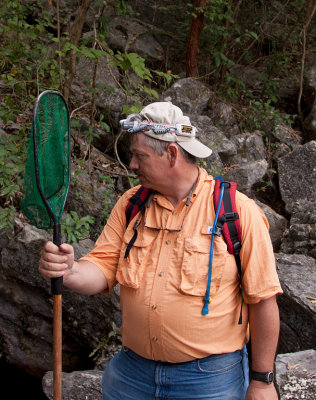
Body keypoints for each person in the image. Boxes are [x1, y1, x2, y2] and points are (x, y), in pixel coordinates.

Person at [39, 102, 283, 400]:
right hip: (132, 375)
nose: (132, 165)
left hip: (209, 382)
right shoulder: (131, 205)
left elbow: (263, 301)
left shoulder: (237, 212)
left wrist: (262, 382)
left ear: (171, 154)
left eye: (139, 156)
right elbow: (102, 269)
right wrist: (70, 270)